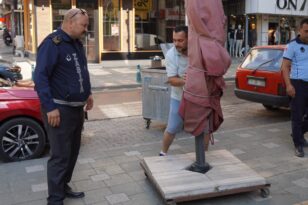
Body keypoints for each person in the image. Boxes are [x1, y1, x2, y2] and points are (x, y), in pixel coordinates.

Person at [34, 8, 93, 204]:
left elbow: (82, 71)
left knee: (73, 152)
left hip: (76, 109)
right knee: (60, 156)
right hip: (59, 110)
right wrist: (50, 107)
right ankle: (55, 198)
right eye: (83, 25)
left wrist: (88, 93)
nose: (86, 29)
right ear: (69, 22)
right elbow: (40, 78)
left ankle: (63, 186)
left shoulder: (76, 43)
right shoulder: (52, 44)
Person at [159, 26, 210, 156]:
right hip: (179, 97)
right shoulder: (171, 55)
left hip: (200, 98)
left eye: (180, 40)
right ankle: (163, 153)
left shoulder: (199, 50)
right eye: (174, 40)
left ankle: (203, 156)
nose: (176, 44)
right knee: (172, 128)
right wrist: (188, 80)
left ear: (189, 39)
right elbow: (171, 80)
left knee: (205, 128)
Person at [281, 18, 308, 158]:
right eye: (306, 31)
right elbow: (284, 66)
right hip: (298, 84)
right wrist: (289, 85)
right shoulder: (292, 45)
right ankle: (298, 144)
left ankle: (297, 132)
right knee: (297, 116)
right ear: (299, 30)